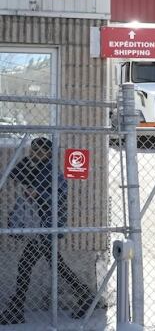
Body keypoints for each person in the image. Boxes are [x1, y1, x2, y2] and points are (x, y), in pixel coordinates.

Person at [0, 137, 93, 325]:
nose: (36, 154)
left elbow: (61, 192)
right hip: (39, 224)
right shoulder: (33, 166)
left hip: (47, 224)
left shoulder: (51, 170)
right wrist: (27, 159)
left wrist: (38, 194)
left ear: (49, 154)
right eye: (33, 150)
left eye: (40, 152)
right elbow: (15, 173)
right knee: (53, 264)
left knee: (27, 264)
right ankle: (84, 296)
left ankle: (16, 309)